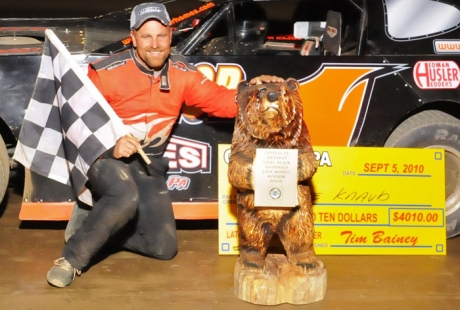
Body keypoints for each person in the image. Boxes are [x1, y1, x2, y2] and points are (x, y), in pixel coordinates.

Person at [46, 2, 284, 287]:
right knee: (124, 196)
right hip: (106, 160)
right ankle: (71, 260)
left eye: (161, 35)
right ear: (133, 38)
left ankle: (96, 226)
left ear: (171, 35)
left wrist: (255, 92)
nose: (155, 44)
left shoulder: (184, 73)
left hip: (150, 165)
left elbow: (223, 103)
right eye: (146, 37)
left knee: (163, 248)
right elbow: (75, 122)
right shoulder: (107, 72)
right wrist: (111, 146)